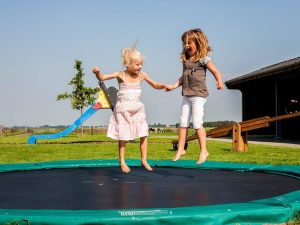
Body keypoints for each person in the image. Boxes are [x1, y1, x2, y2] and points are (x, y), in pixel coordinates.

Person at [92, 47, 166, 173]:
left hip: (137, 109)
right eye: (137, 64)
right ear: (128, 64)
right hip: (123, 110)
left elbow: (154, 84)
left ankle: (144, 160)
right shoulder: (120, 75)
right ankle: (122, 160)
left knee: (144, 134)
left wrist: (164, 86)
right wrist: (97, 72)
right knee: (123, 136)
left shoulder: (142, 75)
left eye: (141, 64)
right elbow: (103, 77)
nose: (140, 66)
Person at [166, 28, 224, 164]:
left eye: (189, 43)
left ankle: (204, 150)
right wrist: (173, 86)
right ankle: (181, 149)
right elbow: (183, 77)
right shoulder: (185, 60)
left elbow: (216, 71)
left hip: (198, 95)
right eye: (184, 43)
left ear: (197, 43)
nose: (186, 46)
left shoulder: (203, 58)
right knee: (183, 123)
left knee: (197, 122)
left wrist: (219, 81)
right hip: (186, 94)